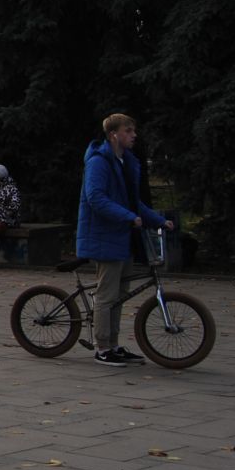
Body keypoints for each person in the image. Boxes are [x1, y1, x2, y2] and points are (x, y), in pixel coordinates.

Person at [78, 113, 173, 366]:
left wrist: (158, 220)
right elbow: (95, 198)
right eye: (128, 131)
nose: (134, 135)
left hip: (122, 238)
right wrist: (128, 217)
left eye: (133, 130)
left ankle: (114, 344)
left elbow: (133, 202)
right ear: (114, 135)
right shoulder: (99, 162)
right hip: (105, 236)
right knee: (107, 295)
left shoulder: (122, 162)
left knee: (119, 294)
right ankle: (102, 348)